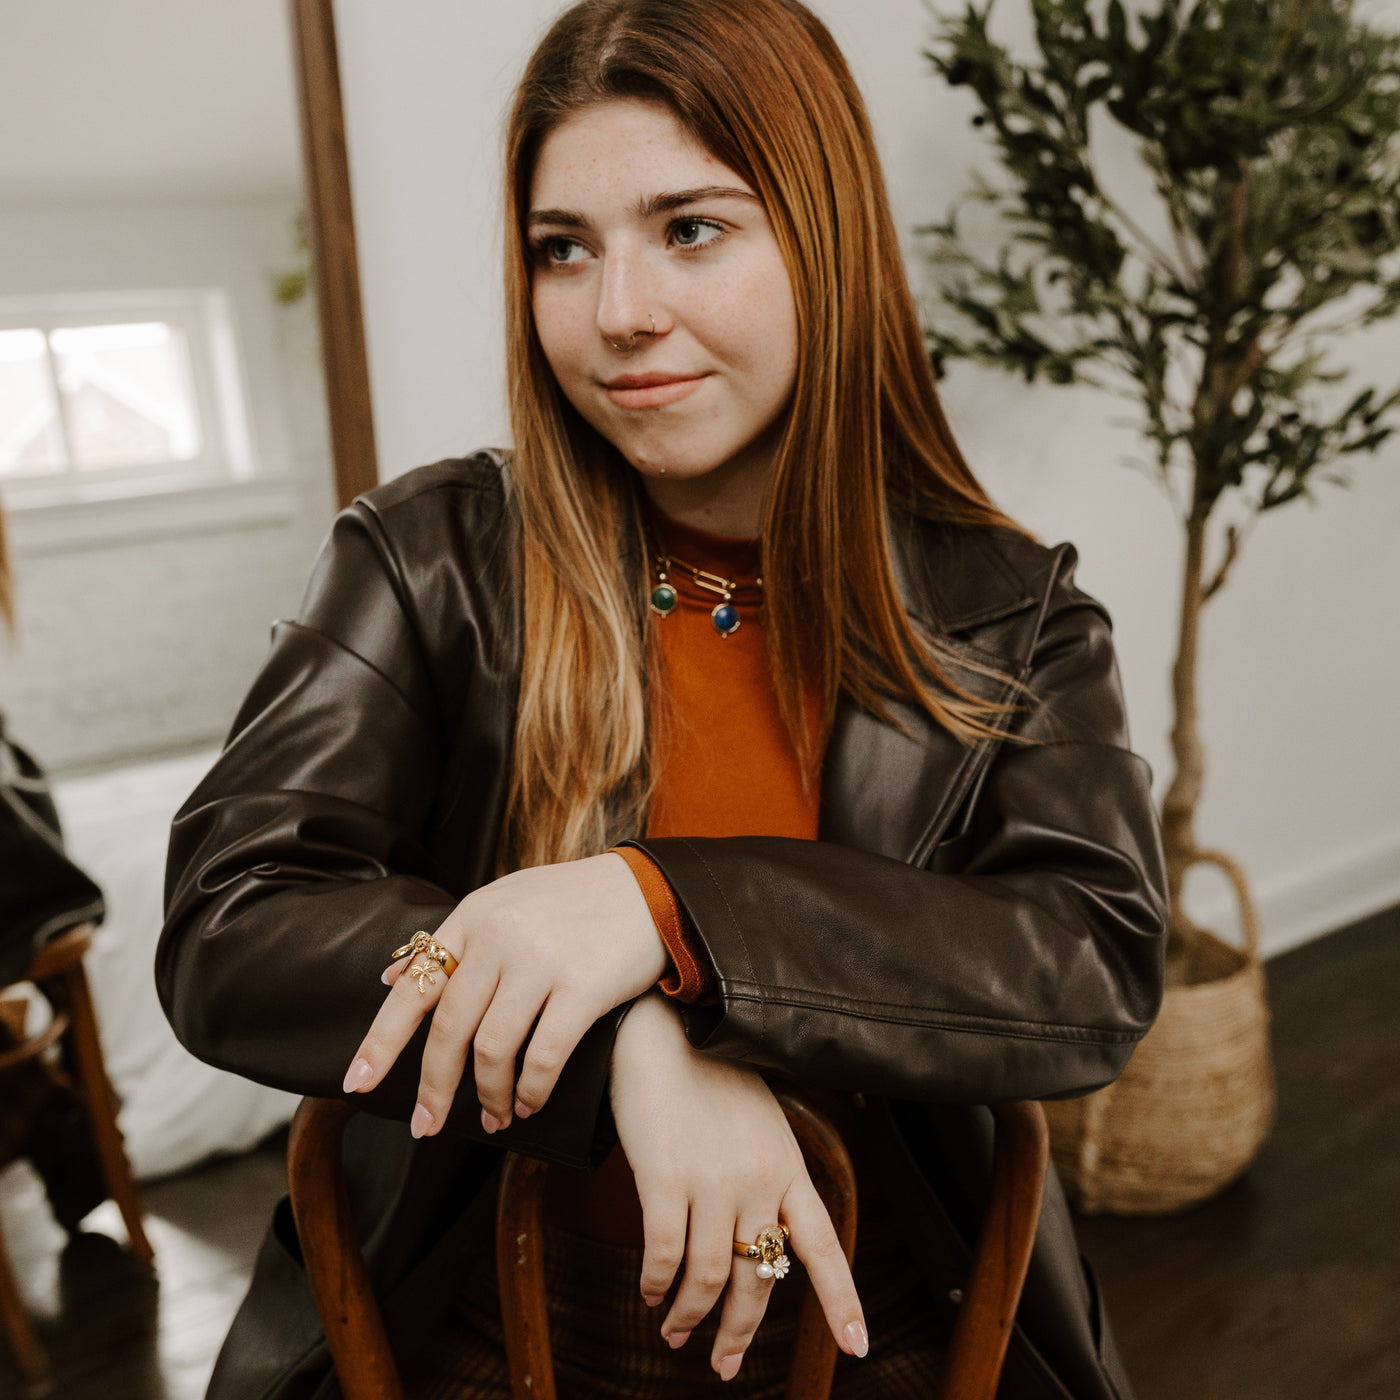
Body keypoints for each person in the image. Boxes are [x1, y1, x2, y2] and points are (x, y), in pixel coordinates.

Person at [157, 1, 1167, 1397]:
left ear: (827, 238)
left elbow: (1087, 966)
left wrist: (656, 908)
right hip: (489, 1328)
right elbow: (233, 921)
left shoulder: (1015, 610)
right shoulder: (432, 556)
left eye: (691, 228)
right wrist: (623, 1035)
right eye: (562, 249)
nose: (618, 312)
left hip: (887, 1333)